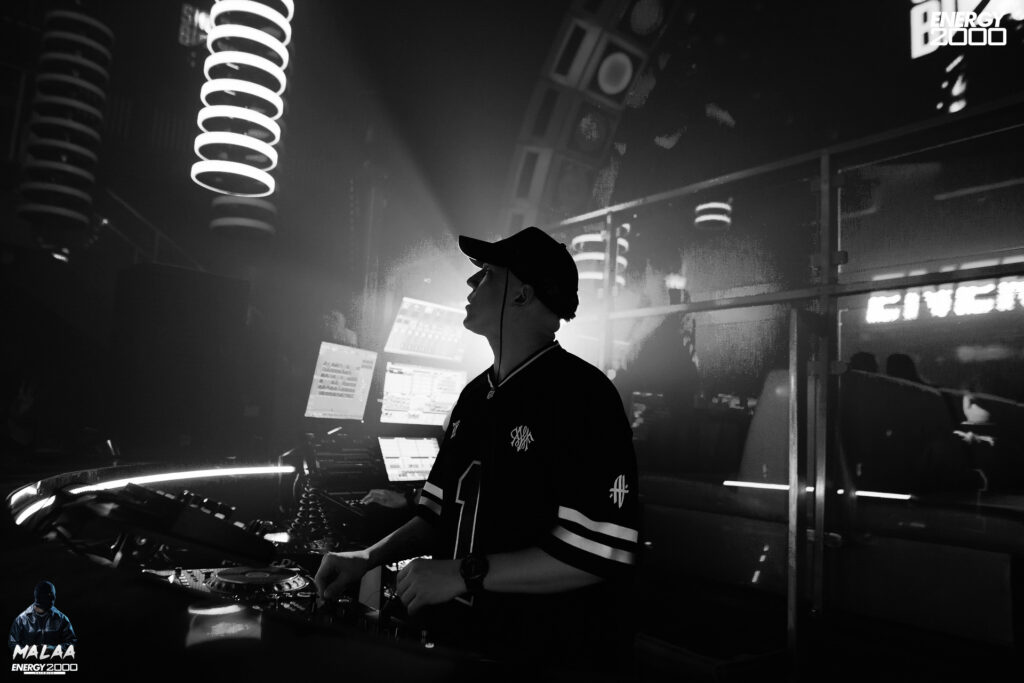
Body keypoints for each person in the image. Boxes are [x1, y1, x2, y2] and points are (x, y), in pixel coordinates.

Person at [315, 226, 640, 676]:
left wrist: (462, 574)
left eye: (486, 273)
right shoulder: (472, 396)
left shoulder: (584, 395)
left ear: (522, 295)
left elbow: (598, 553)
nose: (471, 282)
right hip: (454, 644)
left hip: (537, 657)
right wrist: (367, 557)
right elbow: (435, 515)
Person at [8, 581, 77, 653]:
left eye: (52, 595)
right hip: (28, 660)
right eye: (48, 595)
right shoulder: (21, 619)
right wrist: (26, 650)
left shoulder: (61, 619)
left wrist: (53, 649)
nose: (52, 597)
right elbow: (12, 643)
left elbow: (72, 642)